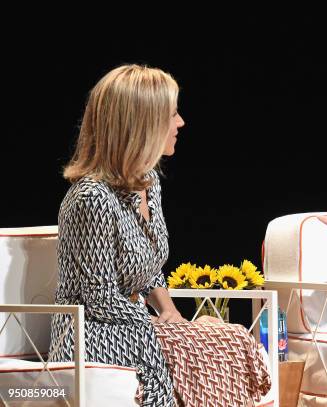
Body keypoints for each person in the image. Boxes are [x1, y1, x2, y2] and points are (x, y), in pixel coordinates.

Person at [48, 64, 231, 406]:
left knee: (230, 339)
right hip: (94, 332)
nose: (180, 123)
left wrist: (170, 312)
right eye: (172, 114)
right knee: (210, 344)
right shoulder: (91, 198)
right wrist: (169, 327)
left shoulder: (147, 182)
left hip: (135, 323)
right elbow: (100, 299)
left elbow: (147, 266)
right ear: (142, 125)